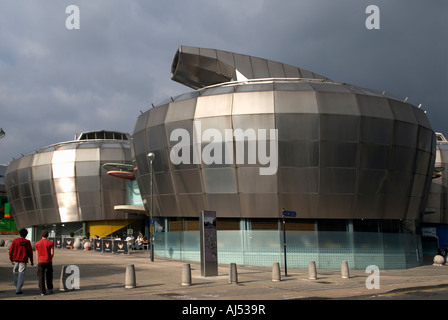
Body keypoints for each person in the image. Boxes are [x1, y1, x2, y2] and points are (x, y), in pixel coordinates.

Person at [8, 228, 34, 294]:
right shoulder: (27, 242)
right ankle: (18, 289)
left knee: (15, 272)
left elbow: (10, 251)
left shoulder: (15, 241)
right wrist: (31, 261)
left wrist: (11, 259)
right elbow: (30, 252)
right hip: (23, 260)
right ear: (26, 235)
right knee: (21, 274)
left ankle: (17, 286)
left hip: (15, 259)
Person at [35, 230, 54, 296]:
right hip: (48, 261)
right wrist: (50, 258)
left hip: (40, 261)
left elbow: (37, 254)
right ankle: (50, 288)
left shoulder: (37, 243)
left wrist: (38, 260)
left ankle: (42, 291)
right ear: (48, 235)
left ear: (41, 235)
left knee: (41, 276)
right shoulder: (50, 243)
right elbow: (52, 253)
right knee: (49, 275)